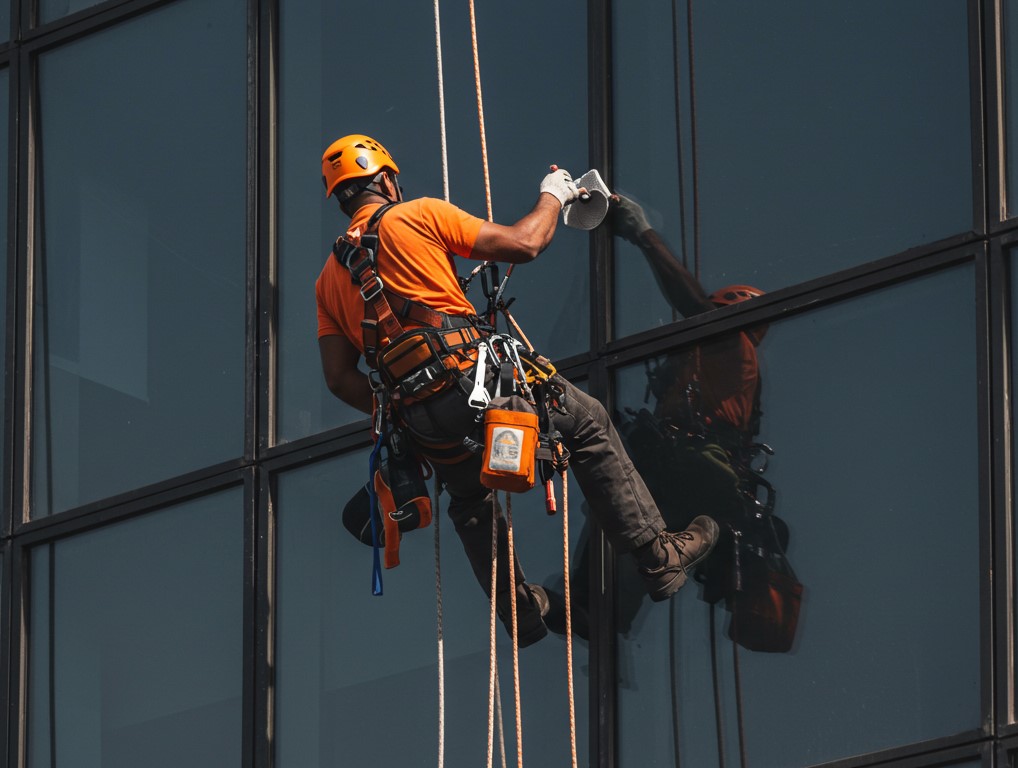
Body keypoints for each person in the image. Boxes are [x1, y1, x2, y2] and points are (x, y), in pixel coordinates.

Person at [315, 134, 718, 647]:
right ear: (386, 179)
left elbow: (338, 378)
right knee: (588, 421)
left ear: (341, 196)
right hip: (471, 380)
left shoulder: (329, 279)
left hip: (419, 417)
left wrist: (402, 405)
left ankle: (522, 614)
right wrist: (554, 194)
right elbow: (525, 243)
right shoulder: (415, 216)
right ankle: (658, 557)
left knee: (469, 502)